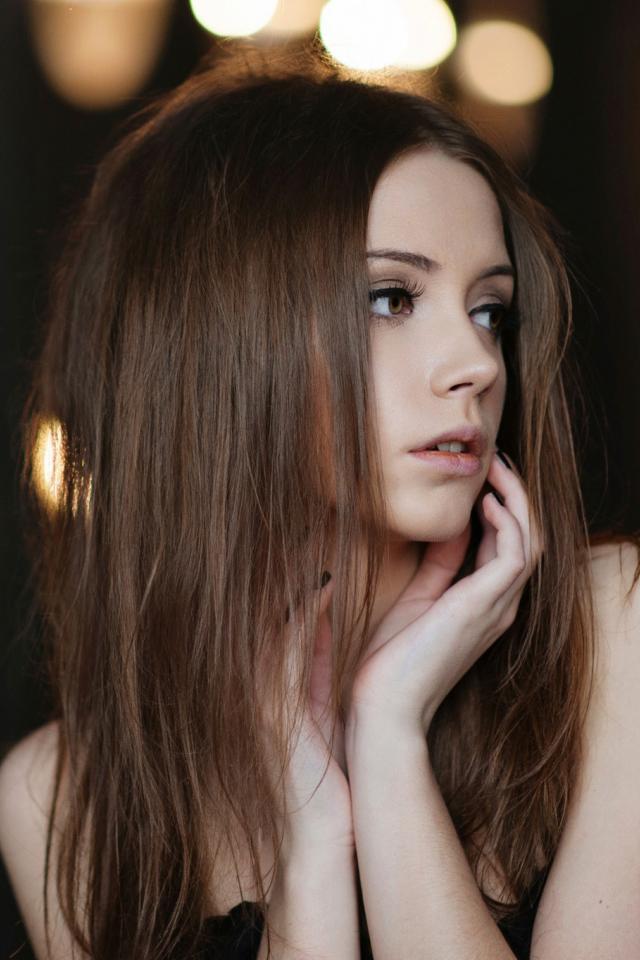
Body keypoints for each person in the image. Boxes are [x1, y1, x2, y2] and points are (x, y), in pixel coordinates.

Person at [0, 46, 639, 960]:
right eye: (391, 298)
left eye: (490, 310)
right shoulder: (60, 800)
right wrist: (311, 849)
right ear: (220, 342)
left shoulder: (610, 630)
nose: (478, 363)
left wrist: (389, 742)